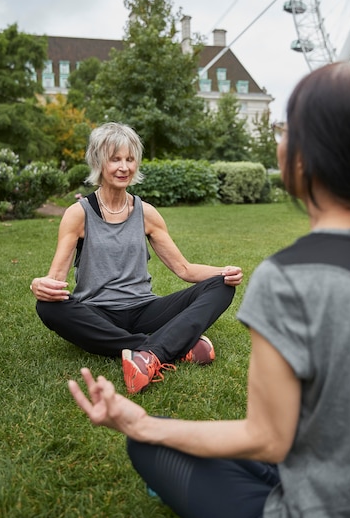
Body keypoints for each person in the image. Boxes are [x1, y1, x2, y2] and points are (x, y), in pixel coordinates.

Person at [68, 62, 350, 518]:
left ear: (300, 157)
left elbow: (268, 439)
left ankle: (154, 357)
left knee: (149, 445)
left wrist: (143, 425)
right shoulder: (81, 212)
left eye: (286, 127)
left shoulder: (289, 279)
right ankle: (158, 349)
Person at [30, 122, 242, 394]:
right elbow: (56, 280)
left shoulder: (147, 213)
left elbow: (184, 269)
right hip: (98, 313)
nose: (124, 167)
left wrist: (223, 271)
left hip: (145, 309)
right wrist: (39, 285)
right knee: (48, 307)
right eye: (115, 159)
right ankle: (169, 347)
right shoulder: (78, 213)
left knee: (222, 285)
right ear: (98, 162)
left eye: (130, 159)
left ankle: (148, 352)